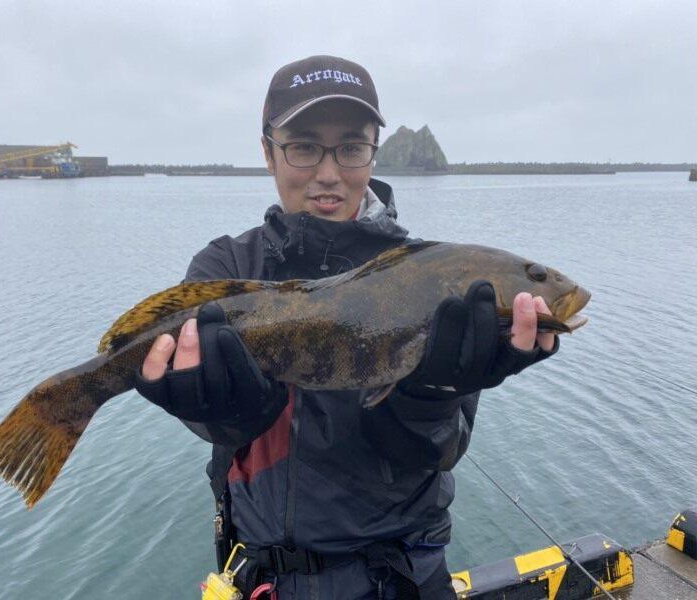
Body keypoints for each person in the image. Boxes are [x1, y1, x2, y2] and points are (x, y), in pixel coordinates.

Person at [135, 55, 558, 599]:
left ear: (372, 153)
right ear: (268, 152)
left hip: (402, 578)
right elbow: (219, 435)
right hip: (263, 580)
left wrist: (432, 396)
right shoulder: (226, 269)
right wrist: (214, 409)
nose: (329, 173)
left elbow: (443, 450)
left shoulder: (440, 281)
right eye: (304, 146)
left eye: (352, 147)